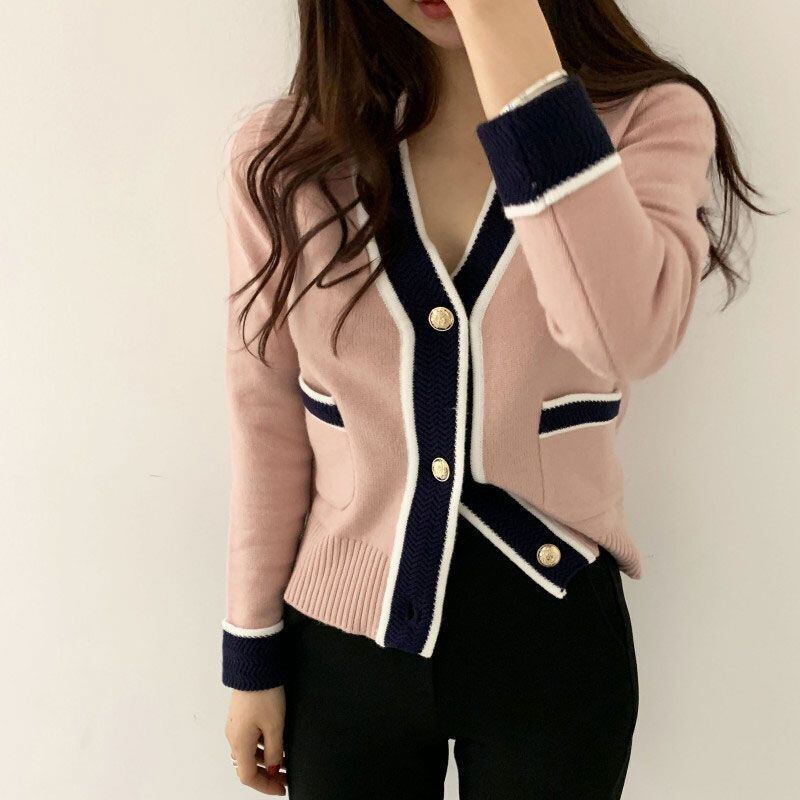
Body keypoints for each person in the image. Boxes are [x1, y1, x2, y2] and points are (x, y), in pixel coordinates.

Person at [219, 1, 766, 797]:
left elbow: (625, 336)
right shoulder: (283, 157)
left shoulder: (647, 122)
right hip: (341, 644)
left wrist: (512, 44)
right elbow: (265, 418)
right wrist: (251, 651)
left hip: (553, 640)